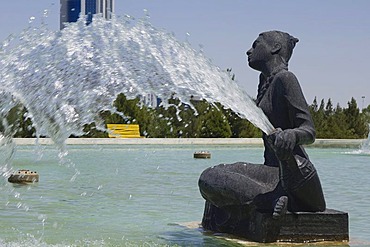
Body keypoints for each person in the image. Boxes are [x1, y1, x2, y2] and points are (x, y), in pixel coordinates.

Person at [198, 31, 326, 233]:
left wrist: (291, 135)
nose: (249, 51)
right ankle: (270, 200)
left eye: (256, 45)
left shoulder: (286, 79)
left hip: (295, 175)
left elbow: (309, 130)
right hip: (272, 175)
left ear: (274, 48)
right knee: (212, 176)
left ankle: (272, 200)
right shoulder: (264, 82)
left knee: (210, 178)